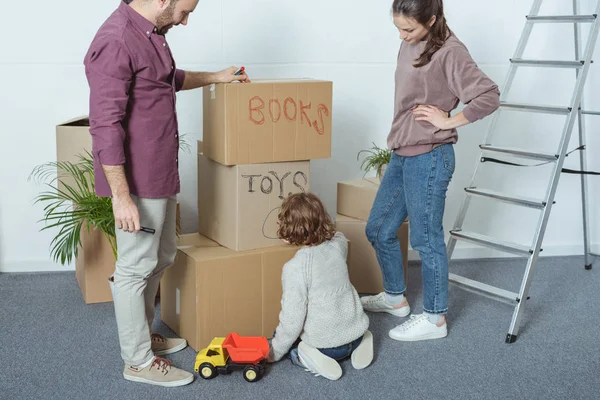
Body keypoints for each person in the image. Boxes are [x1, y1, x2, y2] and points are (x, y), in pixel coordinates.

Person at [83, 0, 250, 387]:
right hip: (136, 181)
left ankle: (143, 337)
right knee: (134, 268)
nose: (185, 20)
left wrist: (215, 77)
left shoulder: (152, 33)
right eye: (184, 10)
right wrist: (121, 196)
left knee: (162, 256)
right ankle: (138, 362)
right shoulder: (116, 39)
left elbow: (167, 79)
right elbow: (105, 125)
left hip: (160, 172)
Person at [361, 0, 500, 341]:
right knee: (378, 228)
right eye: (397, 27)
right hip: (402, 154)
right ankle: (395, 298)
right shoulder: (410, 43)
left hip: (430, 157)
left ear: (433, 19)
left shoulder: (451, 51)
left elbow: (489, 95)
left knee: (426, 239)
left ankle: (435, 319)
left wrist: (449, 120)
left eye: (408, 28)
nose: (401, 35)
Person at [268, 193, 373, 381]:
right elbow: (338, 235)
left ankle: (311, 356)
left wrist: (274, 351)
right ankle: (362, 341)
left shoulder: (294, 268)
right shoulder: (338, 246)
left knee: (288, 343)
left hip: (327, 347)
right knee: (347, 331)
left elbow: (292, 319)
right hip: (355, 333)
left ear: (288, 232)